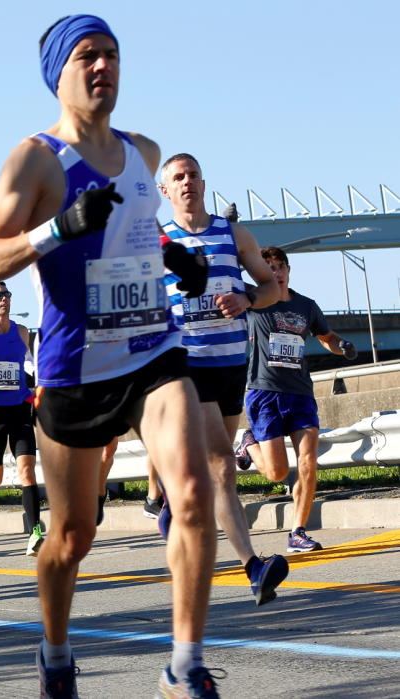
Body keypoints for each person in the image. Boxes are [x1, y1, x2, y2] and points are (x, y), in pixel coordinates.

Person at [0, 15, 220, 696]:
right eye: (87, 56)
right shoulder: (36, 159)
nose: (103, 65)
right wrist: (57, 228)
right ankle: (54, 655)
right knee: (73, 536)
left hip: (152, 349)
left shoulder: (144, 149)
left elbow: (139, 235)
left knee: (194, 493)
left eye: (112, 53)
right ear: (60, 73)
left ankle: (184, 666)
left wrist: (177, 261)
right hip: (76, 366)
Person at [159, 153, 291, 603]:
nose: (187, 182)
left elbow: (272, 287)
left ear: (203, 181)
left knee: (221, 474)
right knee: (220, 463)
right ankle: (253, 567)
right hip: (185, 364)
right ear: (166, 191)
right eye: (178, 177)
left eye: (193, 174)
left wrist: (247, 299)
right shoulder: (156, 243)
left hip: (232, 363)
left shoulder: (233, 234)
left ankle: (172, 509)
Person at [235, 246, 357, 553]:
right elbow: (225, 276)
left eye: (280, 267)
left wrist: (342, 345)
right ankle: (248, 444)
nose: (275, 272)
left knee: (307, 462)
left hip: (300, 393)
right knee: (276, 472)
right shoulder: (254, 300)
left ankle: (298, 532)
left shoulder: (307, 306)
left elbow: (326, 338)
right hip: (264, 393)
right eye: (268, 267)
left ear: (288, 270)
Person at [0, 281, 44, 555]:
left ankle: (35, 531)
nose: (4, 299)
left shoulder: (22, 331)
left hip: (19, 410)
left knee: (27, 471)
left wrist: (36, 397)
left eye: (7, 294)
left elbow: (29, 367)